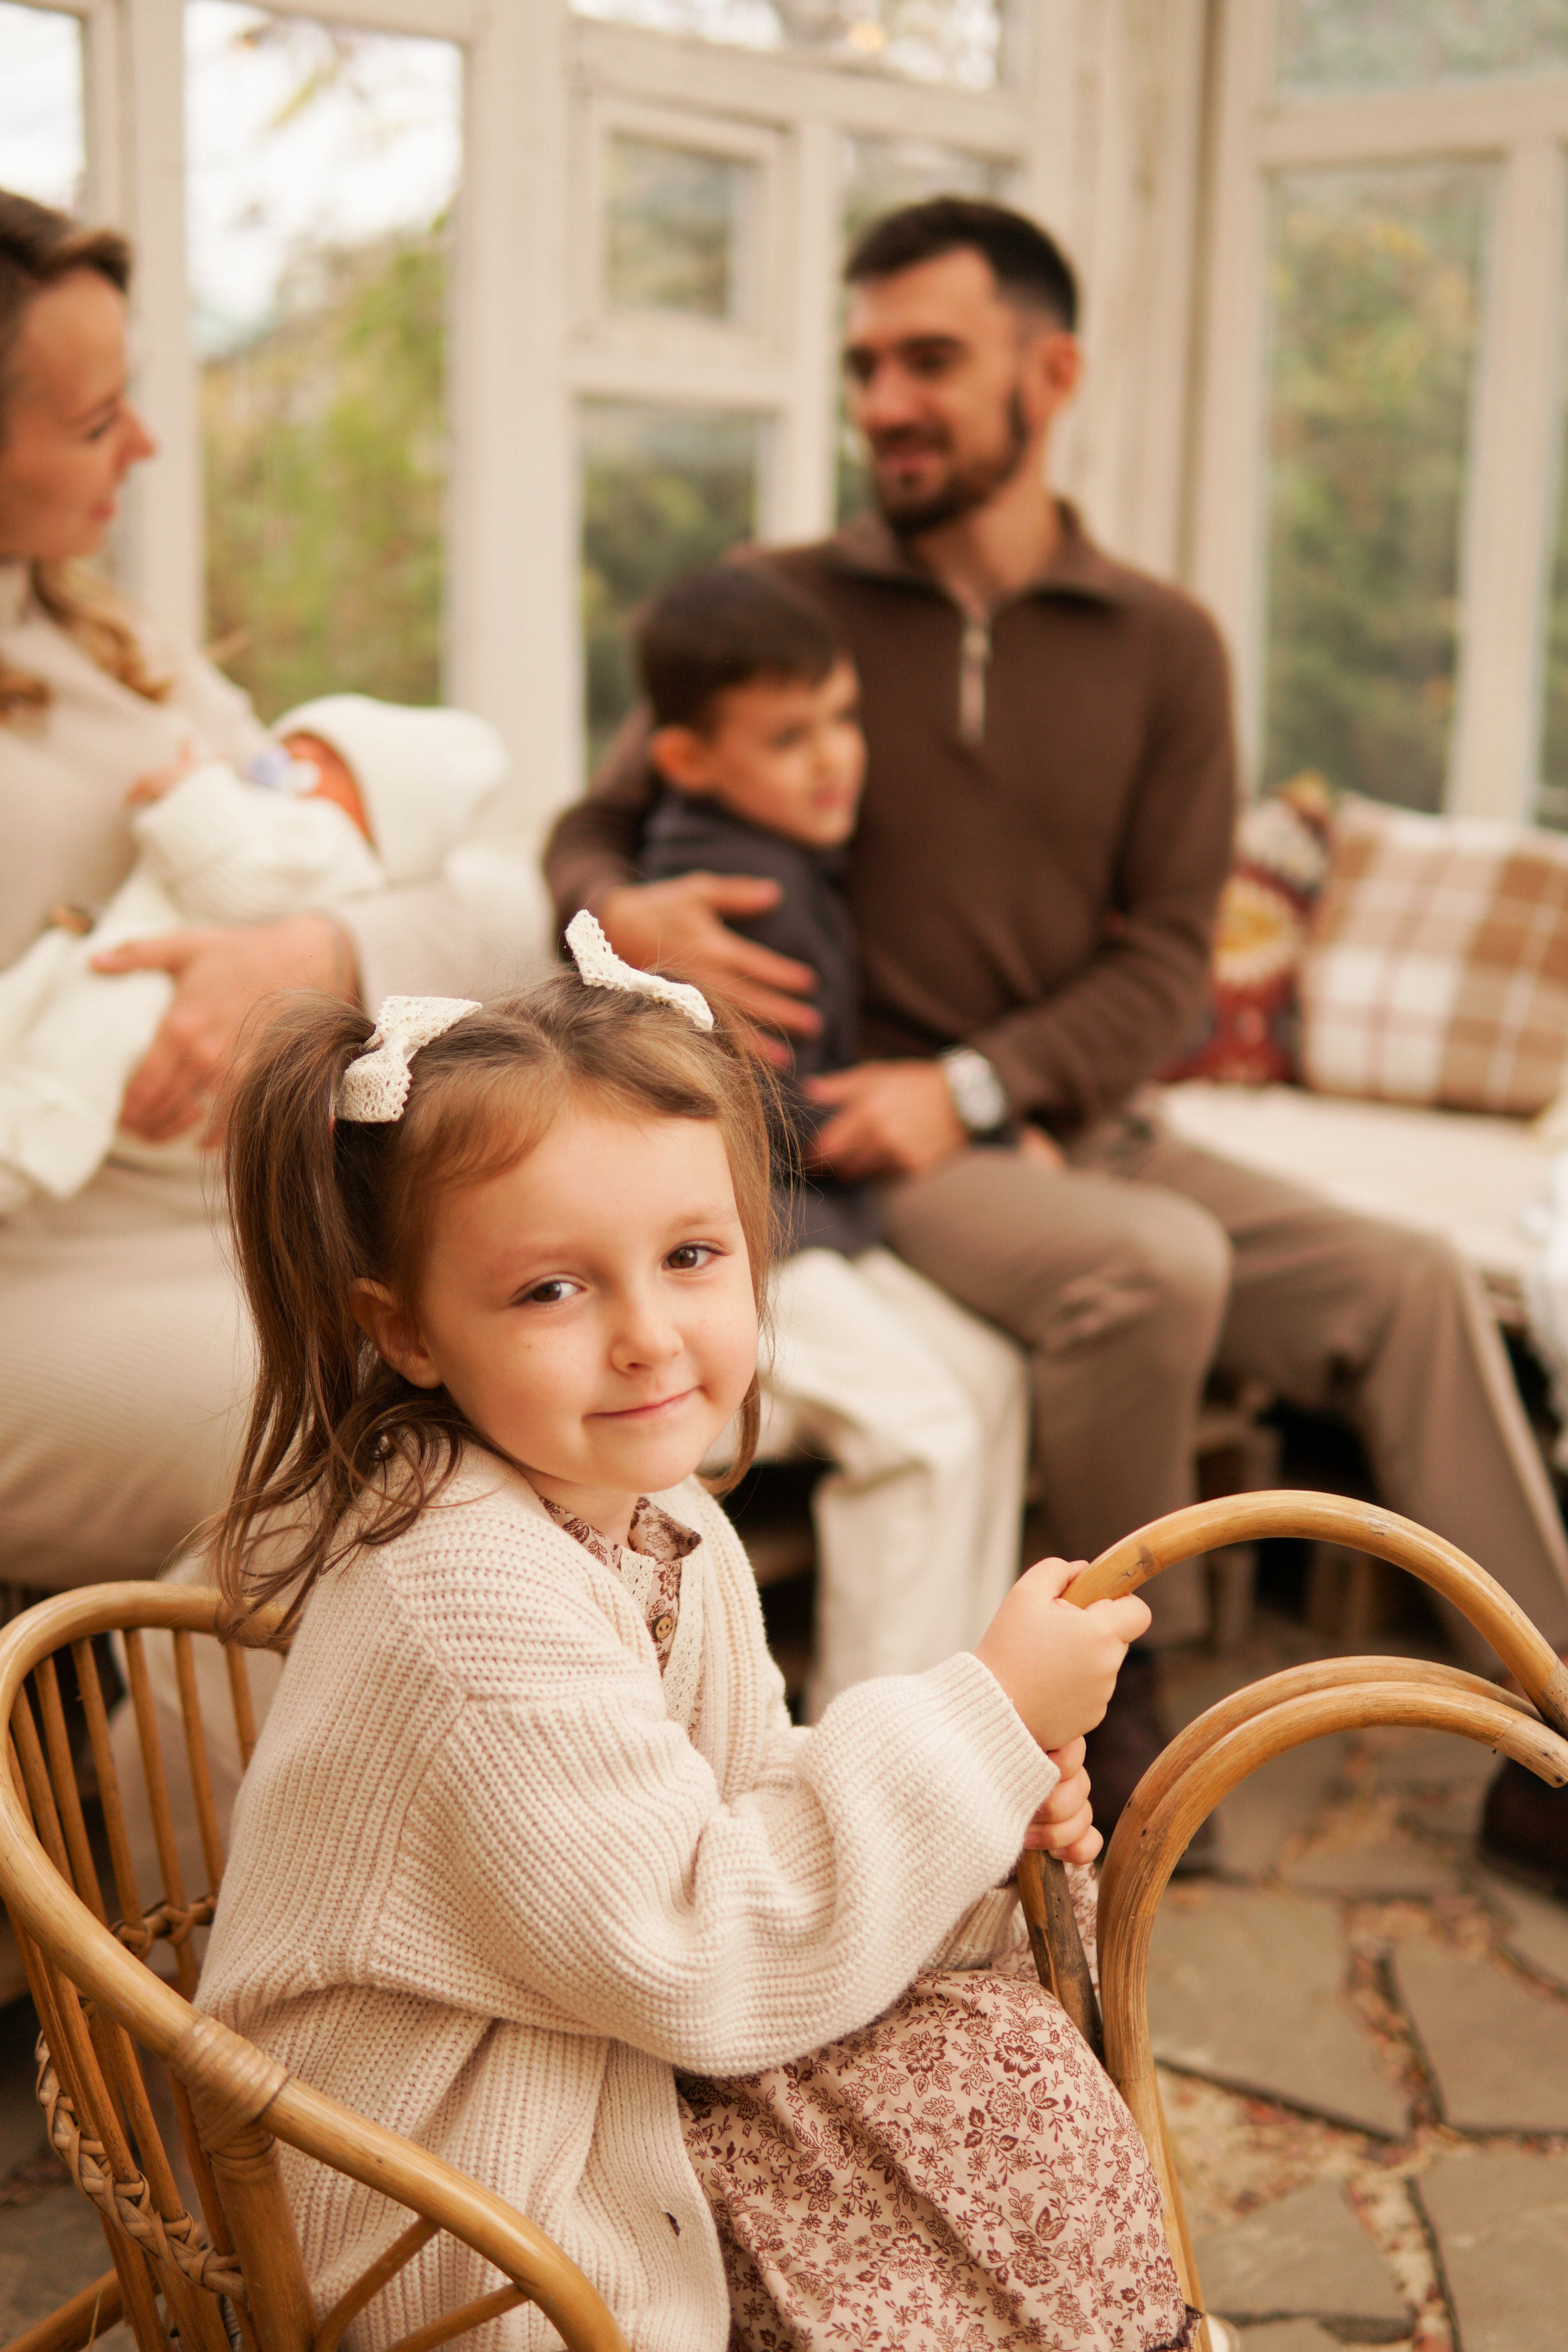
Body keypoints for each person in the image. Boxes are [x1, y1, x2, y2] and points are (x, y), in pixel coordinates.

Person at [544, 195, 1568, 1866]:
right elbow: (589, 831)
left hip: (1053, 1111)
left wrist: (989, 1082)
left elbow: (1173, 965)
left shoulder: (1163, 649)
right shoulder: (777, 604)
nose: (884, 402)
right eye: (866, 363)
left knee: (1418, 1285)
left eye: (930, 360)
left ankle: (1558, 1736)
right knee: (1150, 1271)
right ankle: (1107, 1727)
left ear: (1054, 372)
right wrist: (634, 913)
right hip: (869, 1133)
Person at [195, 928, 1188, 2352]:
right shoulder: (466, 1593)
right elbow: (696, 1947)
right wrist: (973, 1721)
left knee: (1007, 2076)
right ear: (404, 1329)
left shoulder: (660, 1513)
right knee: (956, 2174)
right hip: (458, 2188)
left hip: (602, 2040)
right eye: (553, 1288)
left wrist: (985, 1814)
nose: (649, 1335)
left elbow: (716, 1793)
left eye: (690, 1255)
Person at [0, 188, 546, 1588]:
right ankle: (175, 1817)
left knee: (561, 1377)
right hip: (46, 1283)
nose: (146, 443)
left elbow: (496, 911)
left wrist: (310, 945)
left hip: (262, 1221)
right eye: (91, 419)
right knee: (382, 1449)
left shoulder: (123, 653)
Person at [636, 562, 1027, 1710]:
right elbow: (765, 1107)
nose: (835, 757)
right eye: (790, 736)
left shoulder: (781, 862)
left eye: (845, 720)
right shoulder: (735, 895)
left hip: (813, 1228)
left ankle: (967, 1715)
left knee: (992, 1377)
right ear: (690, 762)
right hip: (746, 1248)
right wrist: (946, 1122)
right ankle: (874, 1759)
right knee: (924, 1431)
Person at [0, 693, 505, 1211]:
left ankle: (30, 1155)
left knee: (77, 1053)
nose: (291, 760)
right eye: (292, 746)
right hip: (107, 949)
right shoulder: (284, 819)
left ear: (379, 815)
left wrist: (188, 796)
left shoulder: (332, 845)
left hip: (153, 983)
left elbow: (242, 875)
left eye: (327, 763)